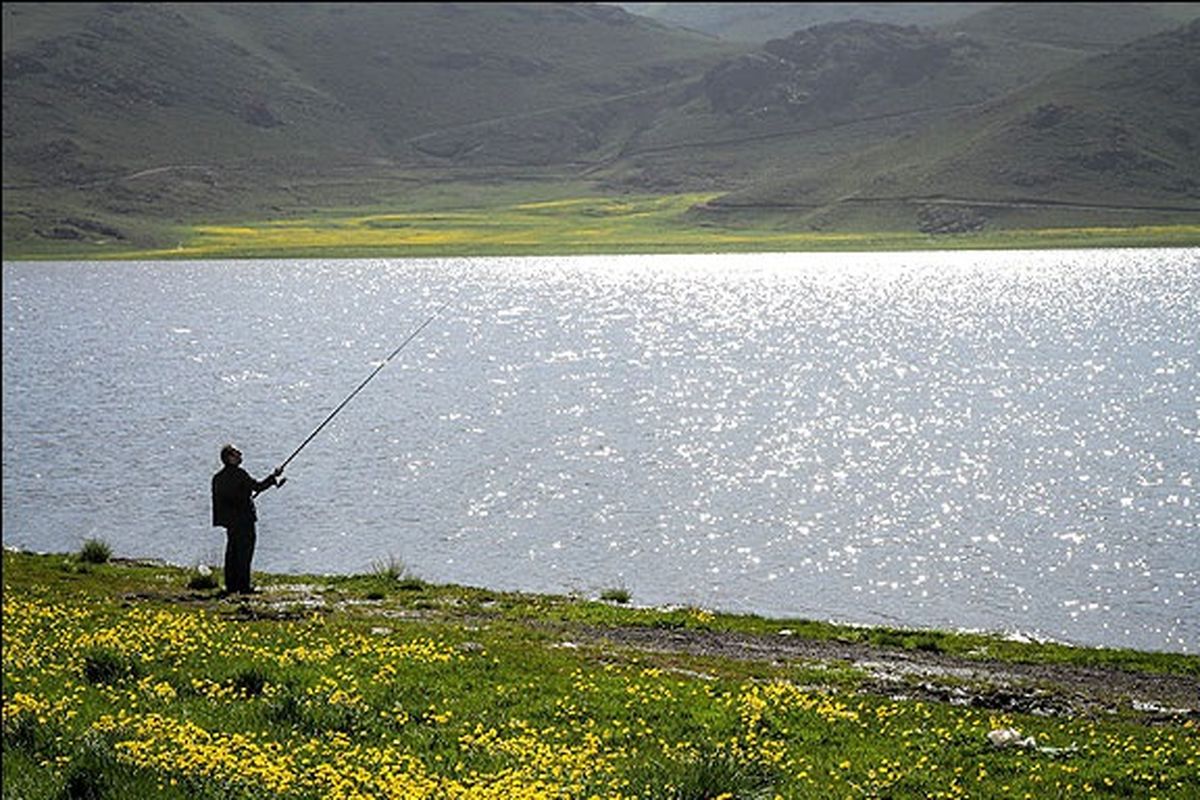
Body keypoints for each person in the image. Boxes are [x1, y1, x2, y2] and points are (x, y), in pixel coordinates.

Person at [211, 444, 284, 595]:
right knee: (244, 553)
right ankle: (244, 587)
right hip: (244, 520)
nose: (240, 454)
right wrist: (273, 476)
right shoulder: (239, 474)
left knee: (232, 552)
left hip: (230, 522)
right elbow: (258, 486)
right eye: (236, 453)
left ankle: (231, 585)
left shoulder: (218, 478)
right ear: (229, 458)